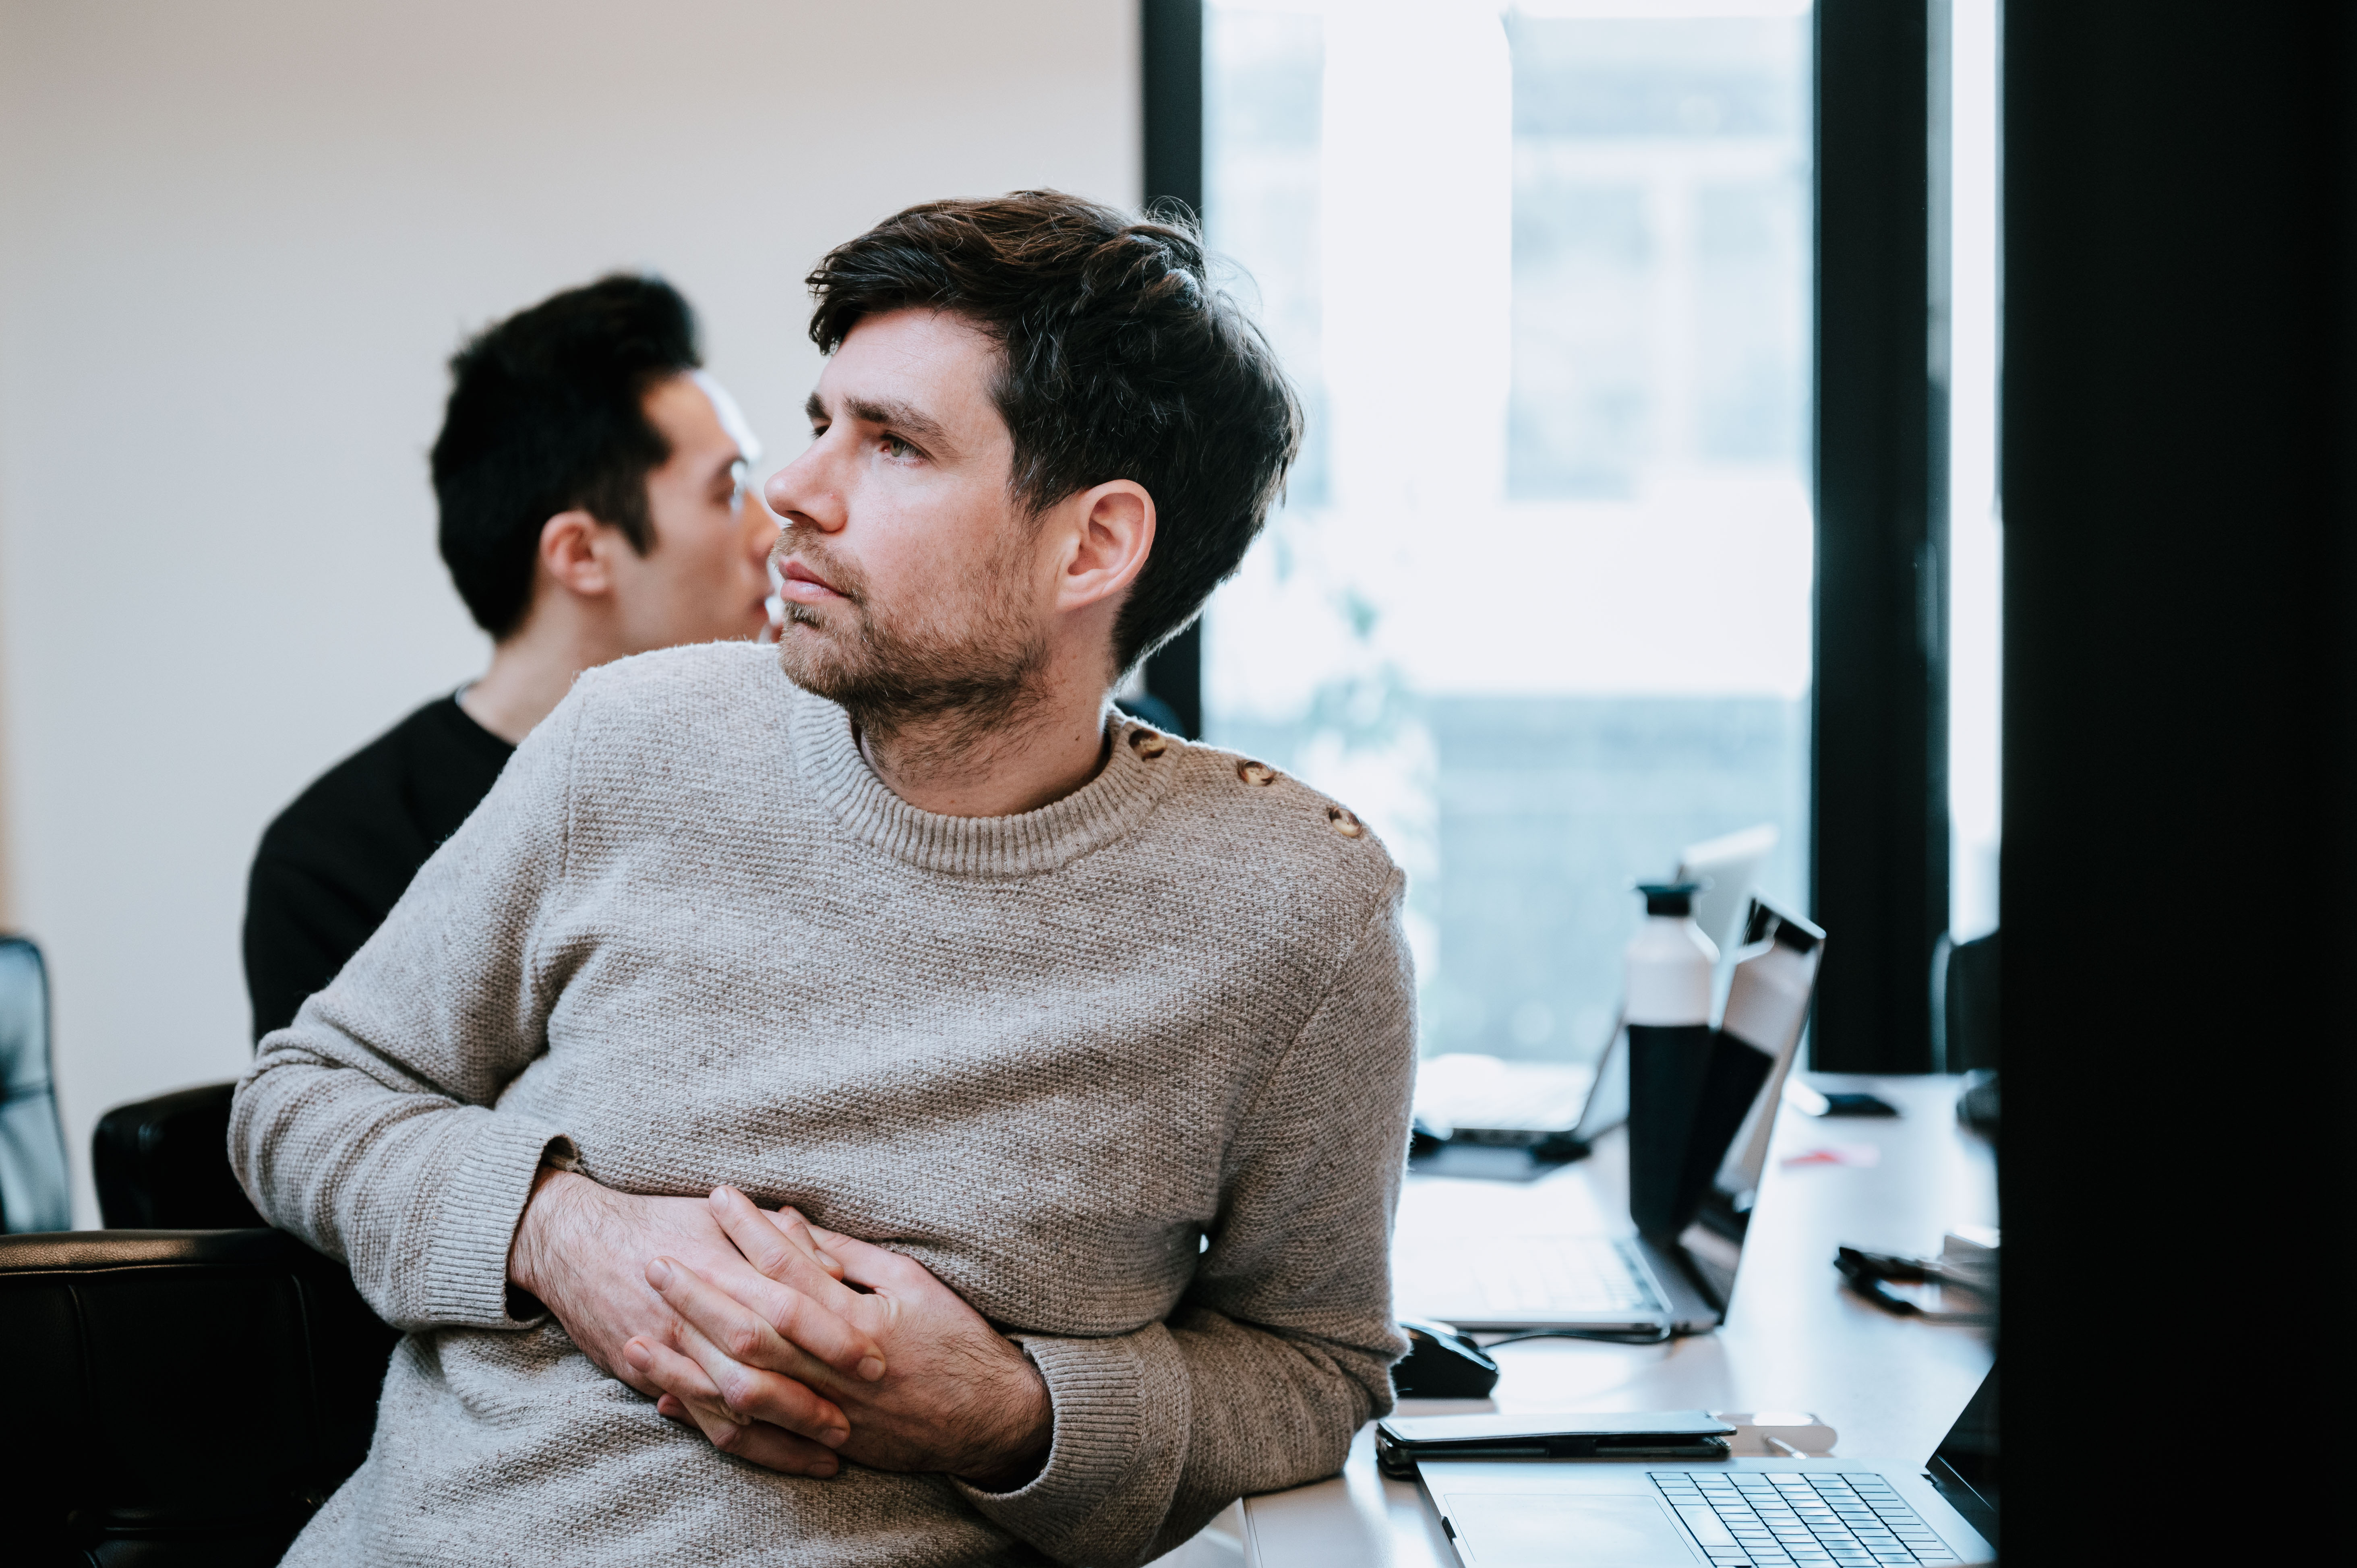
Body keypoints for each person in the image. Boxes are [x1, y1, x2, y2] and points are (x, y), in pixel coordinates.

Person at [232, 192, 1415, 1568]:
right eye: (819, 421)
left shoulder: (1297, 911)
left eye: (895, 444)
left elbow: (1314, 1365)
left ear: (1091, 545)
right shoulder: (630, 737)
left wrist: (1005, 1414)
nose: (791, 491)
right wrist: (556, 1229)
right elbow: (302, 1098)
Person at [240, 275, 776, 1041]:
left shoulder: (788, 769)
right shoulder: (339, 855)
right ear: (582, 553)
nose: (774, 532)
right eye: (728, 490)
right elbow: (342, 1144)